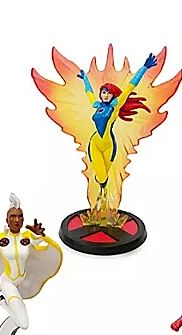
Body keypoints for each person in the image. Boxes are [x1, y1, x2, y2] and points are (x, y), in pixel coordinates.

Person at [0, 193, 62, 331]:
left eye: (20, 216)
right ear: (7, 220)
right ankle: (3, 303)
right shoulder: (0, 239)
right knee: (24, 324)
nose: (16, 220)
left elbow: (37, 243)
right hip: (8, 281)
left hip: (22, 278)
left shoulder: (27, 237)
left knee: (9, 291)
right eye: (13, 217)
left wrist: (37, 235)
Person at [77, 52, 157, 222]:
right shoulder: (96, 105)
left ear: (113, 95)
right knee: (101, 176)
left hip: (110, 146)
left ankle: (104, 205)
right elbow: (89, 92)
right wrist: (85, 79)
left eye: (108, 92)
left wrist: (144, 68)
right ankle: (100, 203)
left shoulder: (115, 106)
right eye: (103, 92)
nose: (105, 95)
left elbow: (130, 86)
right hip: (95, 144)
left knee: (104, 177)